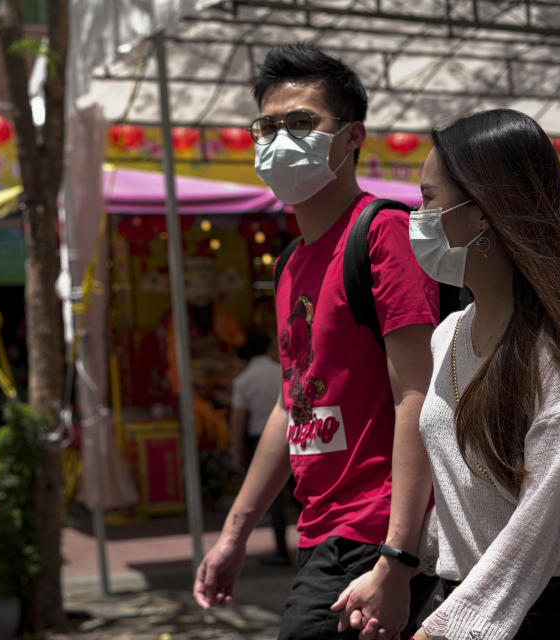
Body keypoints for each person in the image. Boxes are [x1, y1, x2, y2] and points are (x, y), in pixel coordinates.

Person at [333, 109, 560, 639]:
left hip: (558, 618)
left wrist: (444, 630)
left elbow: (536, 531)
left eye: (429, 198)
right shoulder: (448, 333)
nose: (417, 214)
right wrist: (397, 567)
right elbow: (467, 507)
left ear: (482, 214)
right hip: (475, 606)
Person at [193, 43, 440, 639]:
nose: (280, 139)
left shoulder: (382, 233)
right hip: (321, 531)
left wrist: (400, 558)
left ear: (352, 136)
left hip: (378, 535)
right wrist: (234, 535)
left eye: (302, 123)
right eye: (267, 126)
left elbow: (419, 396)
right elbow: (292, 402)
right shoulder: (289, 265)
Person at [229, 331, 289, 565]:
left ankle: (281, 550)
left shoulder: (243, 380)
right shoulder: (281, 371)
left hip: (261, 439)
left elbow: (238, 418)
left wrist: (234, 449)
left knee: (272, 498)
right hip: (294, 432)